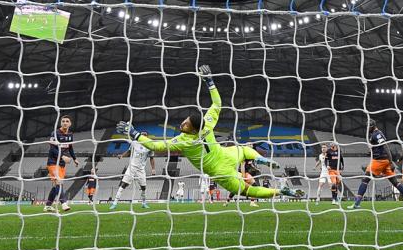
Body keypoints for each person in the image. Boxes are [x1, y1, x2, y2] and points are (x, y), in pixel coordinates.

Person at [117, 65, 299, 200]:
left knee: (247, 191)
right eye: (185, 121)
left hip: (218, 170)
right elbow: (217, 104)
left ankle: (279, 190)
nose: (183, 123)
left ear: (193, 129)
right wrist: (210, 82)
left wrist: (134, 134)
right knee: (243, 150)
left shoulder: (182, 141)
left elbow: (155, 145)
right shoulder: (207, 124)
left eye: (186, 124)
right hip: (225, 154)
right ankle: (264, 161)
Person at [347, 120, 403, 209]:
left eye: (368, 127)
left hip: (380, 161)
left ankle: (357, 203)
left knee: (365, 179)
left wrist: (391, 162)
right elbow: (379, 147)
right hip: (383, 160)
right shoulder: (374, 134)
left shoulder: (377, 134)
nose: (367, 129)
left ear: (372, 126)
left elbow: (385, 146)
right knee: (395, 182)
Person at [110, 132, 156, 209]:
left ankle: (144, 203)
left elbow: (152, 158)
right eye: (142, 135)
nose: (143, 136)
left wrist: (153, 169)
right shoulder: (134, 143)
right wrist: (122, 156)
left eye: (145, 135)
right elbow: (129, 151)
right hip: (131, 167)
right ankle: (115, 203)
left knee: (143, 187)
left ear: (147, 137)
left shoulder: (150, 145)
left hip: (141, 169)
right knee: (123, 184)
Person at [44, 115, 79, 212]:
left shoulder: (70, 135)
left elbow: (70, 147)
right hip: (53, 162)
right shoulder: (55, 133)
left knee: (56, 185)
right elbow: (52, 148)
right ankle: (63, 203)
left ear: (70, 123)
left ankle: (48, 205)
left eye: (67, 121)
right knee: (59, 182)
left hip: (62, 164)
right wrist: (63, 156)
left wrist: (74, 158)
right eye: (63, 121)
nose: (65, 123)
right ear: (61, 123)